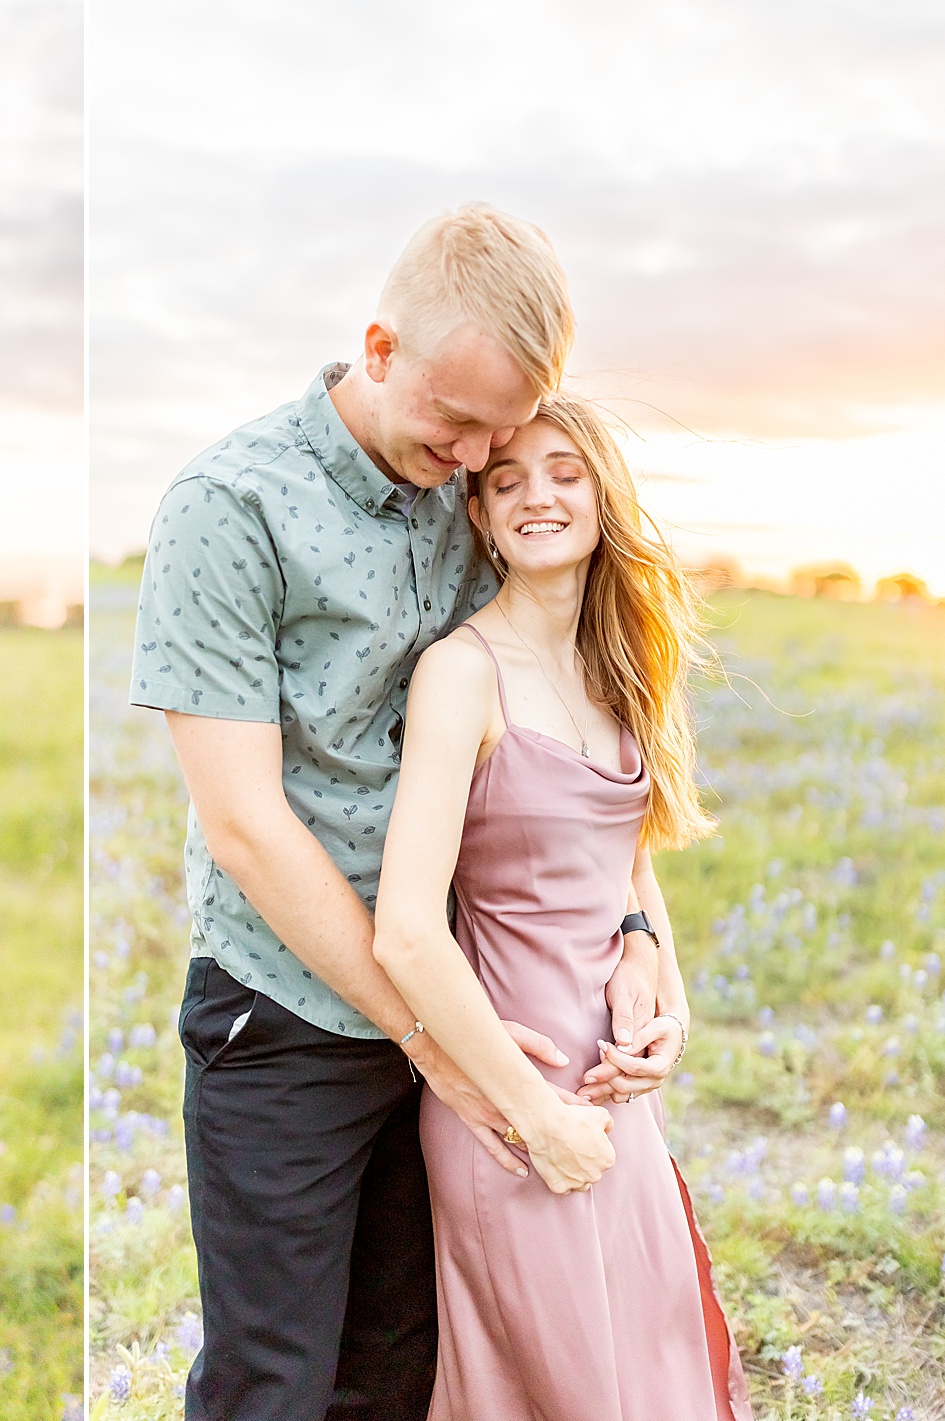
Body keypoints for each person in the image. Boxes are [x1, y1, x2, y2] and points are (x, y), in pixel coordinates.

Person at [130, 205, 662, 1420]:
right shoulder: (229, 506)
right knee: (274, 1377)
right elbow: (247, 827)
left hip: (481, 1002)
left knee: (407, 1367)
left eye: (506, 429)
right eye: (456, 420)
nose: (479, 457)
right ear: (378, 349)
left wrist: (633, 938)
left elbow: (569, 749)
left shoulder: (475, 489)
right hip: (290, 1014)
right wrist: (425, 1035)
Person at [370, 394, 752, 1419]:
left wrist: (669, 1004)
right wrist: (533, 1113)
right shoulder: (459, 672)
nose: (536, 493)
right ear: (482, 518)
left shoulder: (620, 666)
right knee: (560, 1390)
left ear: (600, 495)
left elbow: (632, 863)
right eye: (506, 480)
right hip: (515, 1095)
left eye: (563, 471)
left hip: (621, 1097)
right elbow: (405, 926)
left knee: (656, 1374)